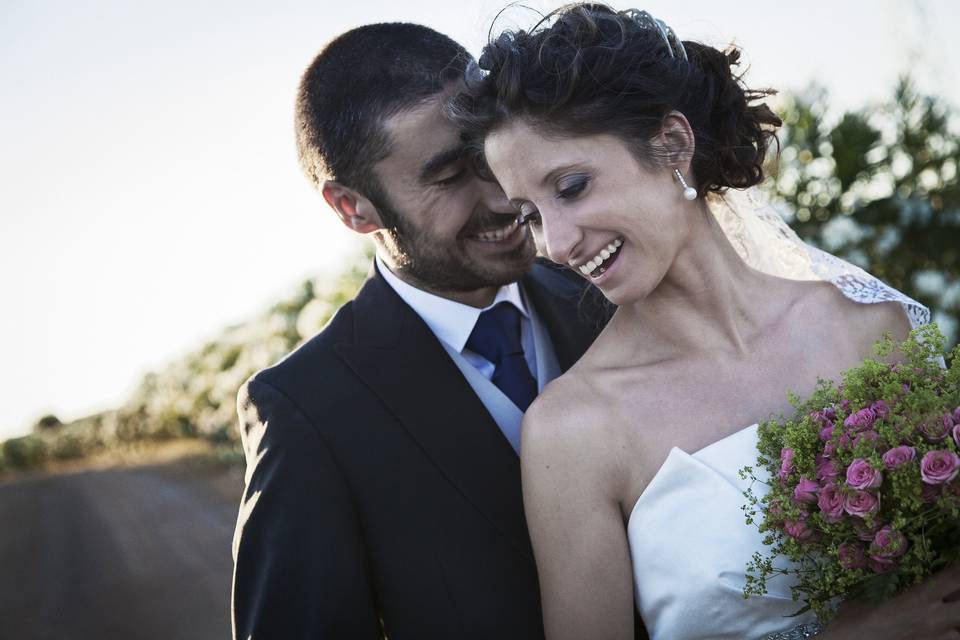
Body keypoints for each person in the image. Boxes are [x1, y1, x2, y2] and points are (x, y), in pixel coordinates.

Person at [447, 4, 960, 639]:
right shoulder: (574, 431)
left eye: (572, 186)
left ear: (673, 145)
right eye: (528, 213)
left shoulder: (871, 328)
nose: (555, 243)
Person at [229, 22, 620, 640]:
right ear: (353, 207)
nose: (501, 196)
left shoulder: (609, 297)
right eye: (447, 177)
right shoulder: (308, 413)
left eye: (487, 150)